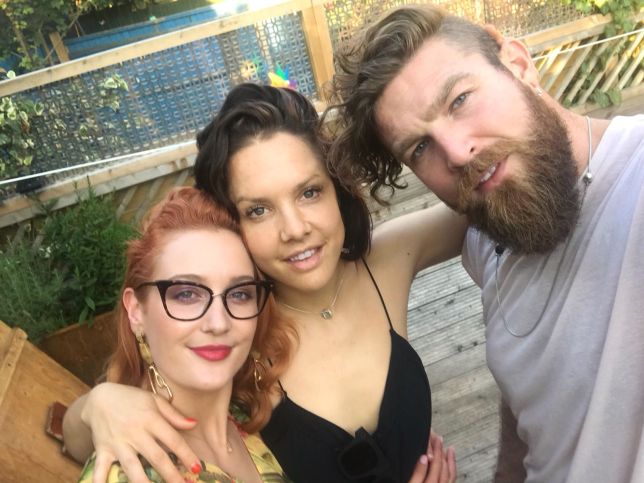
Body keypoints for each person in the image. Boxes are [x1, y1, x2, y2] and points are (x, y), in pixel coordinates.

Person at [62, 84, 464, 483]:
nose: (295, 229)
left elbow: (485, 206)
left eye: (309, 192)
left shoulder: (388, 261)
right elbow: (86, 441)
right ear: (233, 224)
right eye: (258, 210)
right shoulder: (233, 332)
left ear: (337, 189)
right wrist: (99, 405)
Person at [326, 4, 644, 483]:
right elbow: (528, 402)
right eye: (420, 147)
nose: (456, 153)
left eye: (459, 100)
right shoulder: (489, 234)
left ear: (517, 63)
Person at [75, 186, 290, 482]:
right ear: (136, 311)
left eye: (240, 293)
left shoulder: (245, 413)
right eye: (187, 294)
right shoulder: (128, 471)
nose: (219, 323)